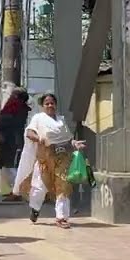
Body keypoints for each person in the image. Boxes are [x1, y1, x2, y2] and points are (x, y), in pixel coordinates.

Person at [25, 92, 87, 228]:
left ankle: (61, 217)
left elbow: (68, 138)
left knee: (63, 186)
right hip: (45, 159)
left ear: (56, 105)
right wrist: (38, 138)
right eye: (47, 103)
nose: (50, 105)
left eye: (52, 103)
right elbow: (29, 133)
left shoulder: (61, 120)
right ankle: (35, 209)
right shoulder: (38, 118)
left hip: (62, 158)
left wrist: (75, 144)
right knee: (39, 188)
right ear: (42, 106)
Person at [0, 88, 31, 200]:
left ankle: (19, 192)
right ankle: (15, 191)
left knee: (11, 168)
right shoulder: (10, 108)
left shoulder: (20, 109)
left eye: (13, 94)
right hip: (6, 141)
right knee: (6, 167)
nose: (11, 96)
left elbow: (13, 124)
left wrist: (1, 124)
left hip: (13, 142)